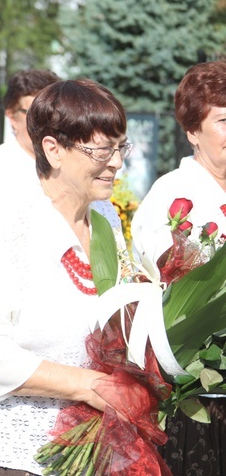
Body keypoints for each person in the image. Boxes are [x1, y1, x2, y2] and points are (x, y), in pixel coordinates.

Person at [0, 79, 133, 475]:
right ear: (53, 149)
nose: (117, 162)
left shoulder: (105, 217)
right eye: (102, 149)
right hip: (15, 454)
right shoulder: (2, 228)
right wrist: (90, 385)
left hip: (92, 444)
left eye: (120, 147)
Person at [131, 61, 226, 475]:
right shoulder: (171, 194)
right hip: (200, 392)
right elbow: (167, 289)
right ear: (192, 132)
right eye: (224, 120)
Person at [0, 69, 121, 229]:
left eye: (55, 111)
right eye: (34, 111)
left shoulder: (80, 161)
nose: (48, 121)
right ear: (12, 117)